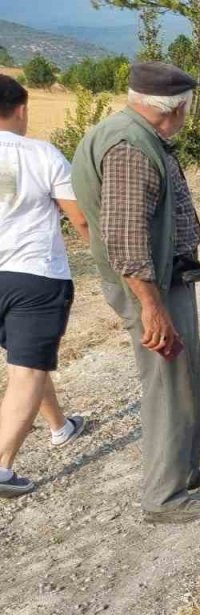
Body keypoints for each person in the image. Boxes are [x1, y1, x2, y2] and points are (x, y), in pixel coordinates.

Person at [71, 62, 200, 523]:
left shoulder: (134, 135)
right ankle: (163, 496)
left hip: (164, 282)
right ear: (177, 107)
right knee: (168, 389)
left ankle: (184, 471)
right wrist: (151, 307)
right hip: (152, 288)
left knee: (191, 380)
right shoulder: (130, 146)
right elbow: (125, 237)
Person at [0, 76, 90, 499]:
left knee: (26, 360)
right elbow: (81, 219)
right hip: (33, 274)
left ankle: (60, 426)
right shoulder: (43, 153)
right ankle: (1, 466)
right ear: (21, 109)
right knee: (28, 369)